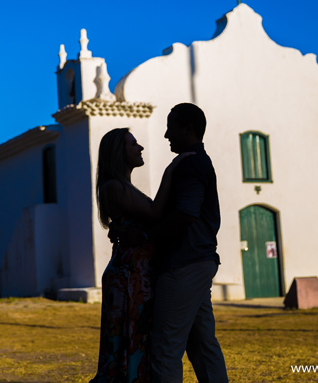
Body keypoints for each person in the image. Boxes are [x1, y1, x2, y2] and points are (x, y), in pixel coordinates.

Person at [90, 128, 192, 383]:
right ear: (118, 153)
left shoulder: (122, 187)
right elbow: (156, 212)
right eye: (133, 144)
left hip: (135, 274)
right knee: (131, 341)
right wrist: (171, 171)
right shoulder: (114, 186)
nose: (140, 148)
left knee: (135, 341)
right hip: (129, 276)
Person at [149, 103, 228, 383]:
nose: (166, 135)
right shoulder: (195, 161)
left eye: (171, 127)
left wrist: (147, 235)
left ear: (188, 129)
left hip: (183, 264)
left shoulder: (191, 162)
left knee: (164, 349)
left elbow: (185, 213)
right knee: (202, 345)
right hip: (199, 261)